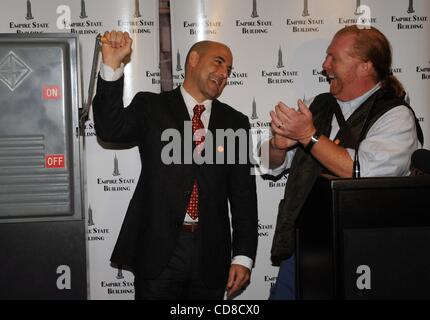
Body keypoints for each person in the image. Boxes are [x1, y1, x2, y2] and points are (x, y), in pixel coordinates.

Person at [92, 31, 258, 300]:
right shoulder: (151, 106)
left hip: (211, 254)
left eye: (228, 68)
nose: (224, 73)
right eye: (218, 62)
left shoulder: (235, 122)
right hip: (158, 251)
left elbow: (243, 195)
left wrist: (243, 256)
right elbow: (110, 130)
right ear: (193, 59)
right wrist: (111, 65)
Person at [263, 25, 423, 299]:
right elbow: (273, 164)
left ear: (364, 67)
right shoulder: (316, 104)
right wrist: (277, 146)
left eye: (333, 58)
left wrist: (307, 135)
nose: (325, 65)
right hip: (302, 248)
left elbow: (362, 172)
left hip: (363, 253)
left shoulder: (395, 117)